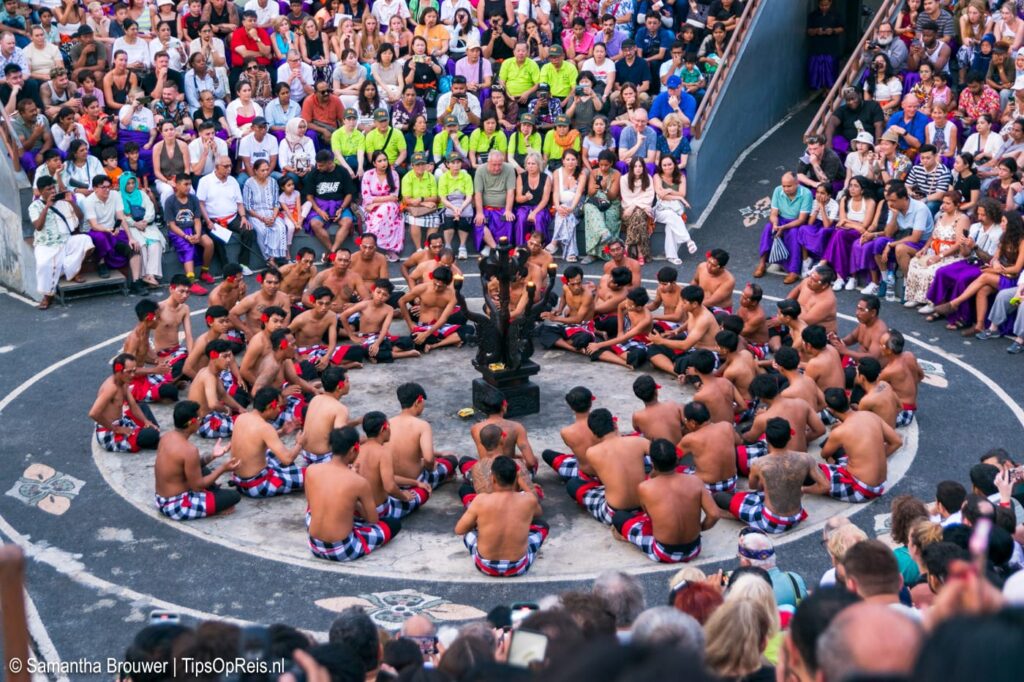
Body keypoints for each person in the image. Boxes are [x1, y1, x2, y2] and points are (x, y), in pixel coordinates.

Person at [612, 438, 718, 563]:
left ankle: (629, 537)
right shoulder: (695, 481)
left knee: (619, 517)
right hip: (694, 549)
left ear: (652, 463)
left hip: (664, 552)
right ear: (677, 459)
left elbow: (650, 516)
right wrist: (700, 528)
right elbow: (714, 514)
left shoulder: (645, 487)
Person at [717, 418, 829, 534]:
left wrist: (765, 481)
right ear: (790, 437)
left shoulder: (759, 464)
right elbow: (826, 486)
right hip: (796, 517)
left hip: (771, 522)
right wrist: (803, 489)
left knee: (719, 497)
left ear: (766, 439)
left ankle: (737, 517)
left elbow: (753, 487)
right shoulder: (806, 458)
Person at [306, 426, 402, 561]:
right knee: (393, 524)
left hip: (314, 544)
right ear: (353, 450)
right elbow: (373, 520)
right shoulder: (358, 482)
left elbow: (311, 503)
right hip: (343, 550)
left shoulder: (311, 470)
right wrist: (355, 502)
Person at [456, 455, 548, 577]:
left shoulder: (481, 500)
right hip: (517, 567)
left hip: (486, 566)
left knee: (469, 532)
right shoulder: (528, 500)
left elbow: (459, 530)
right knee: (542, 526)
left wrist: (480, 523)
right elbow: (538, 512)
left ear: (493, 478)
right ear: (516, 479)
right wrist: (524, 483)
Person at [154, 400, 240, 521]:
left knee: (202, 469)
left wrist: (213, 455)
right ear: (191, 423)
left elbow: (188, 465)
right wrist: (223, 469)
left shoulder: (166, 437)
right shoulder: (189, 450)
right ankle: (214, 506)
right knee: (233, 497)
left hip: (161, 499)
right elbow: (198, 486)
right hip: (176, 506)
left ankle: (213, 497)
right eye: (200, 418)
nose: (201, 421)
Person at [816, 389, 903, 503]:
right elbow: (897, 441)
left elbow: (824, 454)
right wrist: (876, 459)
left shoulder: (840, 431)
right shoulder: (870, 415)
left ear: (830, 409)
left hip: (861, 489)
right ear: (848, 399)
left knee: (807, 472)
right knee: (840, 447)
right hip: (880, 484)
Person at [565, 408, 649, 526]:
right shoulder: (639, 442)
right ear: (614, 424)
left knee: (573, 484)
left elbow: (597, 477)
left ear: (593, 433)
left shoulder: (592, 452)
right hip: (644, 504)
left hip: (613, 512)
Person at [29, 176, 92, 310]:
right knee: (43, 264)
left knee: (86, 241)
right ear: (41, 191)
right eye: (49, 189)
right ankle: (47, 296)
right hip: (46, 243)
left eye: (53, 187)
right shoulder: (34, 206)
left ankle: (72, 271)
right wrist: (46, 207)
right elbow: (38, 226)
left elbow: (80, 218)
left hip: (66, 240)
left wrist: (71, 203)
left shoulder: (63, 202)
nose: (53, 191)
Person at [355, 411, 433, 519]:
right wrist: (404, 496)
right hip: (379, 510)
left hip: (357, 510)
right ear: (383, 429)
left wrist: (415, 482)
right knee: (423, 492)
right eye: (389, 427)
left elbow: (387, 478)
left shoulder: (357, 450)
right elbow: (390, 487)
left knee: (416, 487)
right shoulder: (383, 452)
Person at [388, 382, 459, 488]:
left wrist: (439, 453)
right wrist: (432, 466)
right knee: (453, 459)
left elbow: (407, 449)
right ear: (418, 401)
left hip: (392, 479)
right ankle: (438, 479)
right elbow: (429, 459)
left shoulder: (388, 423)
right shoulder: (422, 426)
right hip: (415, 479)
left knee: (434, 458)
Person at [197, 156, 257, 276]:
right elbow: (201, 204)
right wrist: (208, 221)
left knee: (248, 231)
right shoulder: (205, 181)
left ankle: (243, 264)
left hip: (233, 217)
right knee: (217, 238)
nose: (229, 169)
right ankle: (228, 269)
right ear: (216, 167)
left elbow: (239, 203)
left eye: (230, 166)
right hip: (214, 220)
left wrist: (244, 217)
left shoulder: (233, 181)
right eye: (225, 166)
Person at [89, 354, 161, 453]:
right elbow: (93, 413)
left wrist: (146, 421)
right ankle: (151, 439)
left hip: (121, 421)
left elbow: (133, 405)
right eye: (129, 372)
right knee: (151, 434)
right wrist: (116, 429)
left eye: (134, 371)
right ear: (119, 371)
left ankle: (150, 438)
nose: (132, 375)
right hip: (109, 431)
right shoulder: (111, 388)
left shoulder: (124, 382)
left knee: (143, 409)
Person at [754, 172, 813, 285]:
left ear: (797, 183)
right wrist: (776, 224)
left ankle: (794, 271)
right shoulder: (777, 190)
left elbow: (801, 219)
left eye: (789, 186)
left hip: (796, 222)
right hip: (781, 220)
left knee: (794, 233)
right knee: (768, 228)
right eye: (784, 186)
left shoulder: (806, 194)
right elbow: (773, 214)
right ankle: (762, 263)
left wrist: (784, 227)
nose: (785, 189)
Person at [164, 174, 214, 295]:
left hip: (193, 228)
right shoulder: (170, 201)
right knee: (188, 249)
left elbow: (197, 219)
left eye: (190, 184)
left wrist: (197, 234)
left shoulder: (193, 199)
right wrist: (186, 236)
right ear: (177, 185)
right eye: (185, 184)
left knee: (209, 243)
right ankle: (191, 283)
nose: (188, 187)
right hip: (179, 231)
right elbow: (171, 225)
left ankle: (204, 272)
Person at [677, 401, 741, 493]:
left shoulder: (690, 439)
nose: (685, 424)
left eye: (686, 421)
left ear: (692, 423)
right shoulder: (727, 426)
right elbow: (739, 442)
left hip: (708, 487)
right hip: (731, 483)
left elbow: (674, 456)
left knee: (676, 471)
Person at [120, 171, 165, 291]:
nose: (130, 186)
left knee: (155, 242)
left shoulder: (141, 194)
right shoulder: (119, 196)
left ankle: (150, 275)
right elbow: (121, 216)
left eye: (132, 183)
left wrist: (145, 221)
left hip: (146, 225)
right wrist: (134, 223)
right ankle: (143, 276)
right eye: (128, 183)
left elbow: (150, 209)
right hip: (130, 227)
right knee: (141, 245)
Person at [360, 150, 404, 261]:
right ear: (374, 163)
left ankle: (372, 242)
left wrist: (377, 203)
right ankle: (386, 249)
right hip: (370, 206)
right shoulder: (368, 175)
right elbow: (367, 198)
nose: (383, 163)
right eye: (380, 161)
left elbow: (394, 196)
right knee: (384, 211)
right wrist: (381, 201)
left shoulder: (393, 174)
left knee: (387, 208)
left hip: (390, 206)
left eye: (385, 160)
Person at [653, 155, 695, 265]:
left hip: (677, 209)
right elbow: (661, 195)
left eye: (669, 164)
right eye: (664, 165)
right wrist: (678, 197)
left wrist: (667, 190)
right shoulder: (657, 176)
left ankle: (672, 256)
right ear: (661, 166)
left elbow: (683, 193)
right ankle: (688, 240)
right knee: (672, 216)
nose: (667, 167)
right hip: (661, 209)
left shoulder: (681, 177)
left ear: (674, 165)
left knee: (670, 225)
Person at [473, 150, 517, 255]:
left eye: (499, 165)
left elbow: (511, 192)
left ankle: (500, 246)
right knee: (479, 222)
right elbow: (478, 193)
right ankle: (495, 248)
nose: (497, 168)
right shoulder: (480, 170)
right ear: (488, 162)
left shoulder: (509, 169)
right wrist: (479, 213)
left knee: (507, 220)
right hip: (485, 207)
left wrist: (508, 210)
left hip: (502, 207)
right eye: (494, 165)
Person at [582, 150, 621, 263]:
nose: (603, 168)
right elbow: (589, 193)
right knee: (589, 208)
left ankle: (605, 253)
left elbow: (613, 196)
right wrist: (595, 187)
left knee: (608, 216)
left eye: (606, 165)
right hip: (595, 201)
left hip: (611, 203)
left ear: (611, 163)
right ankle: (593, 252)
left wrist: (605, 188)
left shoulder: (616, 174)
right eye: (601, 165)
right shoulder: (594, 172)